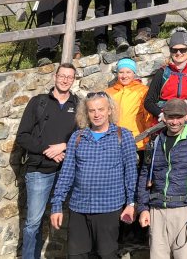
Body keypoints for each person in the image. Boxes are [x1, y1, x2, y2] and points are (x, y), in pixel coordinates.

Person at [49, 91, 138, 259]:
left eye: (101, 109)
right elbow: (66, 173)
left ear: (109, 110)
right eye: (92, 110)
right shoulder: (77, 137)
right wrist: (56, 205)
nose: (97, 114)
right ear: (86, 113)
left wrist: (131, 203)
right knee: (76, 256)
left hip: (109, 208)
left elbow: (131, 173)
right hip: (79, 208)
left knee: (106, 255)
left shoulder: (122, 135)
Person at [16, 63, 80, 259]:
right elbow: (23, 136)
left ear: (74, 80)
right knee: (33, 222)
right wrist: (47, 150)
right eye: (62, 76)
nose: (65, 80)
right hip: (39, 171)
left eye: (70, 77)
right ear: (55, 77)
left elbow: (83, 135)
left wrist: (64, 146)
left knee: (75, 217)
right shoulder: (39, 102)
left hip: (67, 171)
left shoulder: (77, 105)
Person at [136, 99, 187, 259]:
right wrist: (143, 208)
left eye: (179, 117)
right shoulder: (155, 140)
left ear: (186, 116)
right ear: (164, 117)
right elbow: (145, 173)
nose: (175, 122)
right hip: (156, 209)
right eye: (171, 117)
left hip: (184, 209)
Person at [144, 28, 187, 128]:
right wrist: (161, 114)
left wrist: (186, 103)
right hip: (165, 123)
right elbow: (148, 102)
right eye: (174, 50)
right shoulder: (162, 72)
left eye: (183, 49)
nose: (178, 53)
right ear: (170, 51)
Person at [107, 57, 156, 157]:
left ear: (134, 73)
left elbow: (148, 117)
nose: (124, 76)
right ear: (117, 74)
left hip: (137, 140)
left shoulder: (143, 91)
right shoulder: (108, 92)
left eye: (128, 72)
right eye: (121, 72)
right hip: (113, 142)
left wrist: (147, 138)